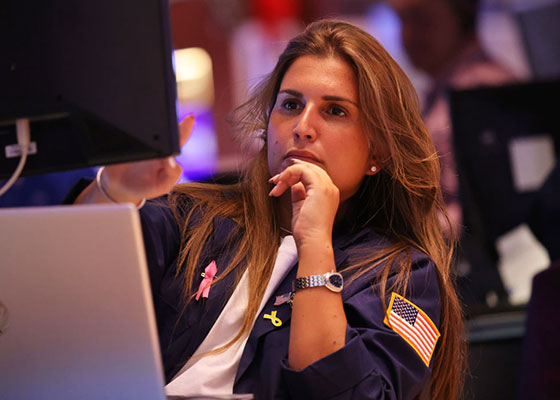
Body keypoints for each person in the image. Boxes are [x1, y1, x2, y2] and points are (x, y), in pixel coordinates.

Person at [68, 19, 465, 399]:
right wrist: (114, 191)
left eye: (335, 111)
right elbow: (69, 281)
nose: (303, 127)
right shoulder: (196, 216)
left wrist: (315, 246)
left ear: (376, 150)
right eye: (291, 105)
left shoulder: (402, 272)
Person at [390, 0, 516, 237]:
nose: (407, 36)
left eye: (421, 19)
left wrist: (402, 234)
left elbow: (492, 210)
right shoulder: (446, 89)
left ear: (463, 15)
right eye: (401, 21)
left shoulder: (483, 91)